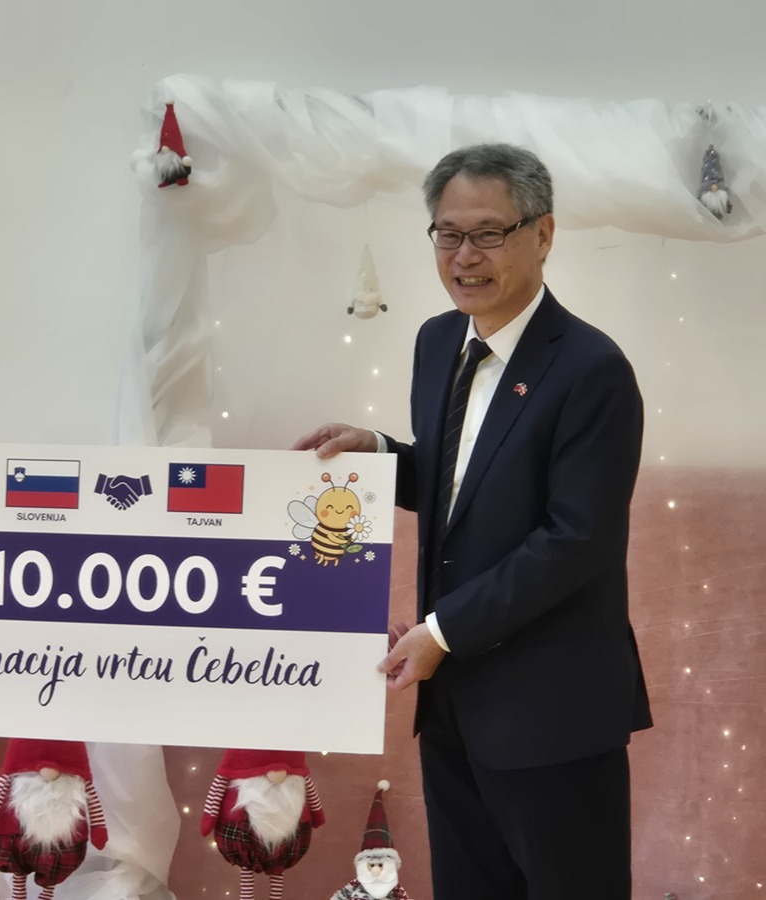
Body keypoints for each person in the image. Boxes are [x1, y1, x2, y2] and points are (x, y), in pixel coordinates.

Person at [292, 144, 652, 899]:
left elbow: (576, 540)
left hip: (552, 710)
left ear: (542, 234)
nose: (465, 255)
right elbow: (465, 484)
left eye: (489, 233)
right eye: (448, 234)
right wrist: (380, 453)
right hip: (453, 703)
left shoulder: (592, 369)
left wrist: (441, 632)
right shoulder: (437, 341)